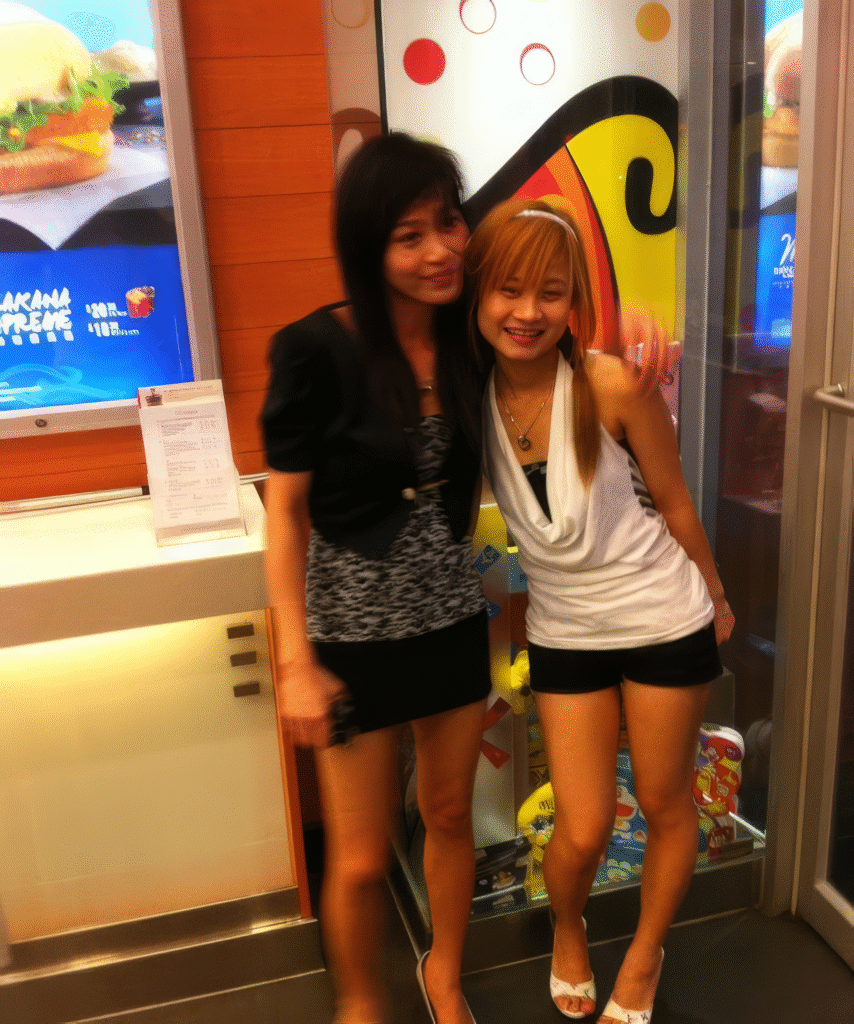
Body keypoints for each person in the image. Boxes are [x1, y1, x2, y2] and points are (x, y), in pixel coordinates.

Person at [465, 197, 735, 1024]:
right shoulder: (468, 399)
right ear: (478, 295)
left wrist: (717, 596)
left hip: (662, 616)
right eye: (509, 290)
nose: (528, 312)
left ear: (573, 301)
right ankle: (569, 925)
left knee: (663, 802)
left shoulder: (610, 382)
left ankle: (646, 956)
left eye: (551, 293)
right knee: (580, 830)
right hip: (565, 631)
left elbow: (675, 503)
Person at [261, 133, 490, 1024]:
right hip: (350, 639)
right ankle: (360, 1004)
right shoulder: (315, 350)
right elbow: (285, 515)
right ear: (369, 246)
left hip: (452, 621)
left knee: (450, 815)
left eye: (449, 223)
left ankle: (445, 974)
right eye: (409, 236)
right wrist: (295, 662)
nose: (440, 251)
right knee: (359, 857)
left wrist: (644, 337)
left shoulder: (471, 333)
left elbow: (556, 324)